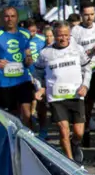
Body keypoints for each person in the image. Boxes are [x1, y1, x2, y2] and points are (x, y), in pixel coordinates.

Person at [31, 22, 90, 162]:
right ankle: (70, 162)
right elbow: (37, 73)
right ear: (54, 35)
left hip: (76, 95)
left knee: (79, 132)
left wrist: (85, 86)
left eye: (66, 35)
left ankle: (75, 143)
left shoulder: (78, 49)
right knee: (64, 130)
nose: (63, 38)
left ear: (70, 35)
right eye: (59, 35)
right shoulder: (45, 53)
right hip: (56, 97)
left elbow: (87, 69)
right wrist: (40, 88)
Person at [0, 6, 36, 127]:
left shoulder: (25, 33)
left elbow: (27, 50)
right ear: (2, 18)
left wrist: (29, 58)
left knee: (27, 113)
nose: (10, 19)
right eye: (6, 16)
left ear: (17, 18)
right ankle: (15, 137)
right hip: (4, 81)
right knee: (12, 116)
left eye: (12, 16)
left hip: (23, 79)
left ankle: (29, 137)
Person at [71, 2, 95, 147]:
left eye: (92, 14)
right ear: (81, 15)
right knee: (87, 106)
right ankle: (85, 132)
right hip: (84, 72)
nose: (89, 17)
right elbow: (72, 51)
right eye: (86, 15)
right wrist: (89, 52)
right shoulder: (76, 31)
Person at [25, 20, 49, 138]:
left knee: (41, 102)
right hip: (25, 74)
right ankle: (29, 126)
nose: (32, 33)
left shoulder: (42, 39)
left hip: (40, 74)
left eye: (34, 31)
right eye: (29, 31)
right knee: (27, 102)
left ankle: (43, 129)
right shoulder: (20, 39)